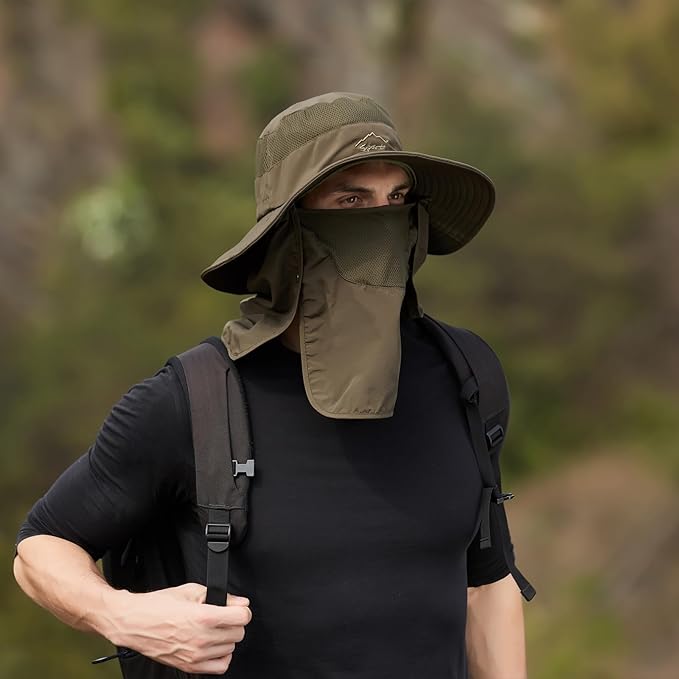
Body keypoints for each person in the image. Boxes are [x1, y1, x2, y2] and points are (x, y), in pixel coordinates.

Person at [14, 92, 531, 679]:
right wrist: (124, 616)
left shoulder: (465, 375)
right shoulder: (193, 402)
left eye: (398, 199)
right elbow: (40, 547)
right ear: (290, 231)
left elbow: (486, 583)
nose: (384, 222)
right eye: (351, 200)